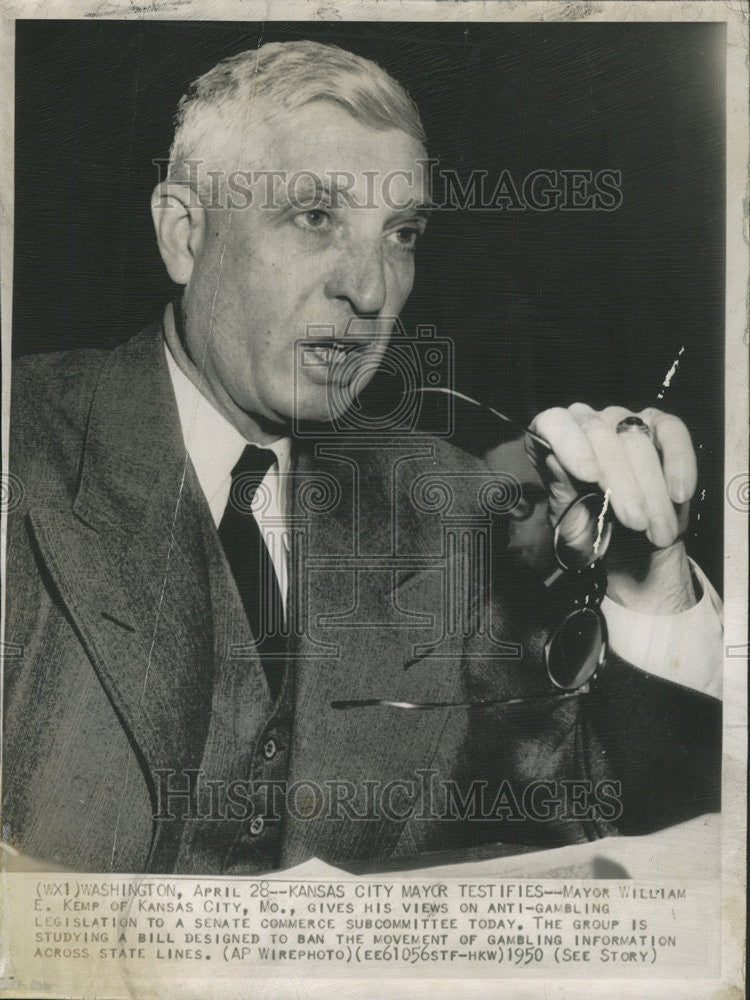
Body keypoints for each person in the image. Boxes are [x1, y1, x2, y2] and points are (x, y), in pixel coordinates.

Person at [3, 40, 722, 874]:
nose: (372, 290)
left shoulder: (445, 508)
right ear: (184, 234)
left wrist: (646, 585)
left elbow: (630, 847)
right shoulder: (22, 446)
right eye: (316, 217)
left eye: (402, 233)